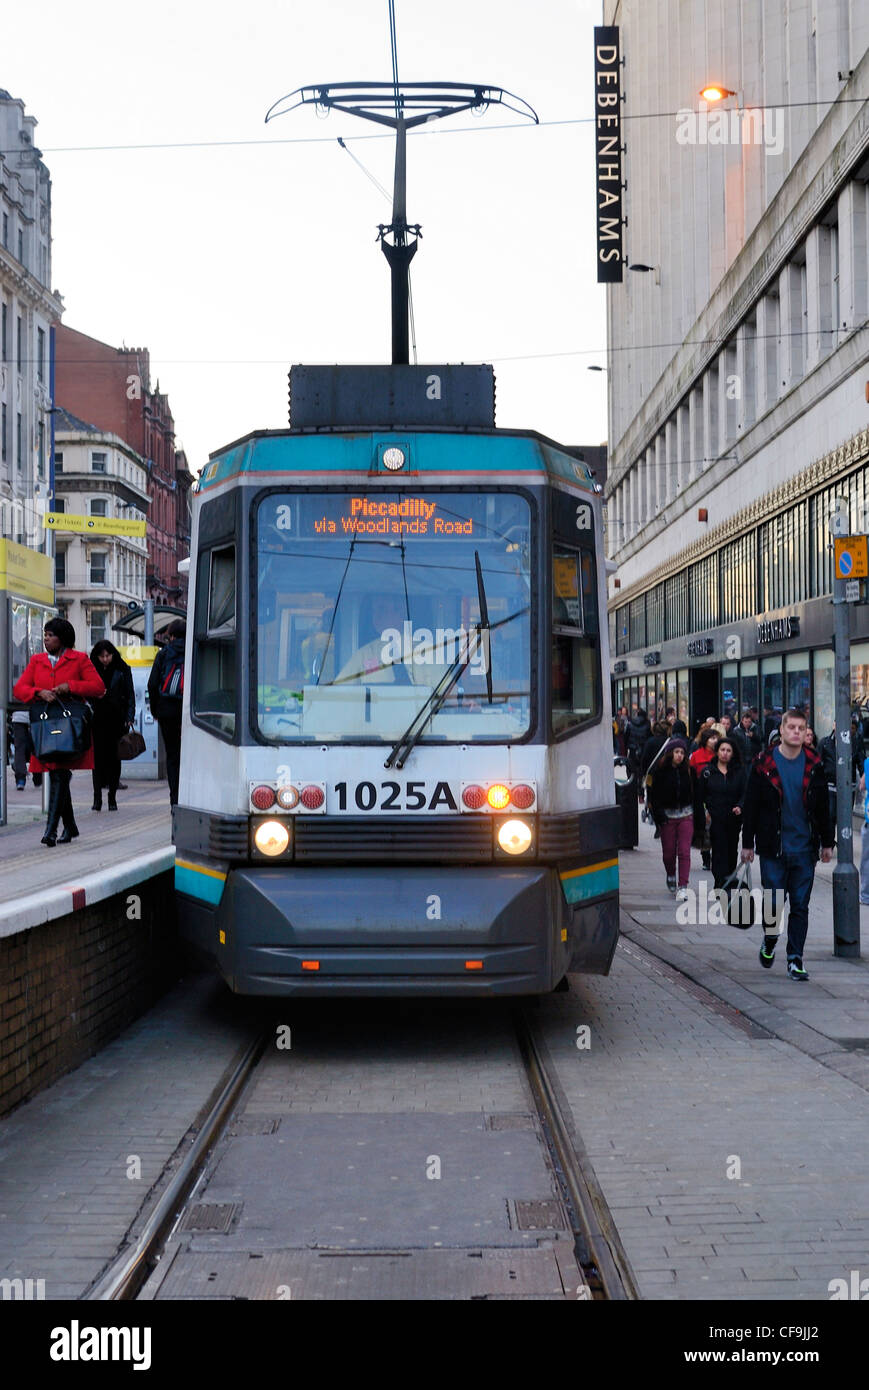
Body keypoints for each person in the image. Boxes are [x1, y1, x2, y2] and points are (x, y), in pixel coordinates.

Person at [741, 707, 834, 981]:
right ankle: (770, 939)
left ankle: (795, 958)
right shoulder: (762, 764)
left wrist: (827, 843)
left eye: (801, 728)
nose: (796, 732)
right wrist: (747, 844)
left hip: (804, 850)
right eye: (791, 727)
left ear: (807, 732)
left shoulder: (814, 765)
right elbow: (751, 807)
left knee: (801, 906)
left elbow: (822, 808)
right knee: (774, 903)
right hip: (773, 848)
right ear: (781, 730)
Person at [12, 617, 104, 847]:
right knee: (58, 773)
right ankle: (69, 827)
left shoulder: (79, 659)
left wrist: (71, 686)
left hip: (70, 726)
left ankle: (51, 830)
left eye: (50, 634)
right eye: (45, 634)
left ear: (61, 638)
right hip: (45, 725)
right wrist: (38, 692)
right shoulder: (37, 661)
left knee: (59, 773)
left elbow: (98, 687)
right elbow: (19, 689)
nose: (46, 638)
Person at [694, 737, 746, 888]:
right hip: (715, 818)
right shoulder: (708, 772)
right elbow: (699, 796)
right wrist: (704, 813)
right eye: (722, 750)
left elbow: (745, 792)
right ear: (717, 752)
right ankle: (719, 882)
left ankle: (729, 879)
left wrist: (740, 806)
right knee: (718, 851)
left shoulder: (739, 772)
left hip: (733, 819)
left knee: (731, 850)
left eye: (728, 751)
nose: (725, 753)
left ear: (733, 753)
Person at [89, 640, 135, 811]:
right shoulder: (91, 669)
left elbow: (130, 696)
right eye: (102, 656)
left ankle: (112, 797)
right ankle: (97, 798)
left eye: (108, 655)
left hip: (117, 719)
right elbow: (86, 693)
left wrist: (130, 717)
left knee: (115, 759)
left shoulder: (123, 669)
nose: (105, 659)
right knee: (97, 760)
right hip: (97, 719)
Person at [648, 739, 694, 900]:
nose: (680, 755)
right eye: (677, 752)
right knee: (668, 853)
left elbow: (695, 793)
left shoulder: (689, 771)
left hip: (686, 815)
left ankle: (683, 886)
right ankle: (670, 874)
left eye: (682, 753)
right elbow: (654, 796)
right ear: (670, 753)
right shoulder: (660, 771)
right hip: (667, 817)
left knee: (684, 851)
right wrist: (659, 816)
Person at [148, 618, 186, 808]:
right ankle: (190, 797)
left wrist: (155, 710)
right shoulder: (194, 650)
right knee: (190, 755)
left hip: (167, 711)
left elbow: (152, 684)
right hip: (189, 712)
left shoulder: (163, 654)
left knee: (172, 756)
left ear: (170, 635)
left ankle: (174, 800)